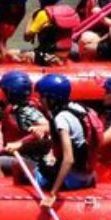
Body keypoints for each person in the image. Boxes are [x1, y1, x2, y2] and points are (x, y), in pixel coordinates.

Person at [34, 74, 100, 206]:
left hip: (72, 180)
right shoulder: (80, 108)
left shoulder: (61, 118)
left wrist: (53, 193)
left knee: (28, 169)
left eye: (42, 96)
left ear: (51, 99)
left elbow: (69, 159)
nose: (40, 100)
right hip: (88, 176)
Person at [0, 71, 50, 181]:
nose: (2, 95)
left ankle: (4, 190)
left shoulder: (27, 111)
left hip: (30, 162)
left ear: (11, 93)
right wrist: (0, 151)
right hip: (17, 158)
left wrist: (20, 143)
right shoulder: (16, 109)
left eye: (4, 91)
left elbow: (47, 126)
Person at [20, 0, 80, 66]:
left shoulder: (43, 14)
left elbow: (27, 37)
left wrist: (31, 18)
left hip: (47, 56)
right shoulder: (66, 11)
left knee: (11, 53)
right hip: (66, 54)